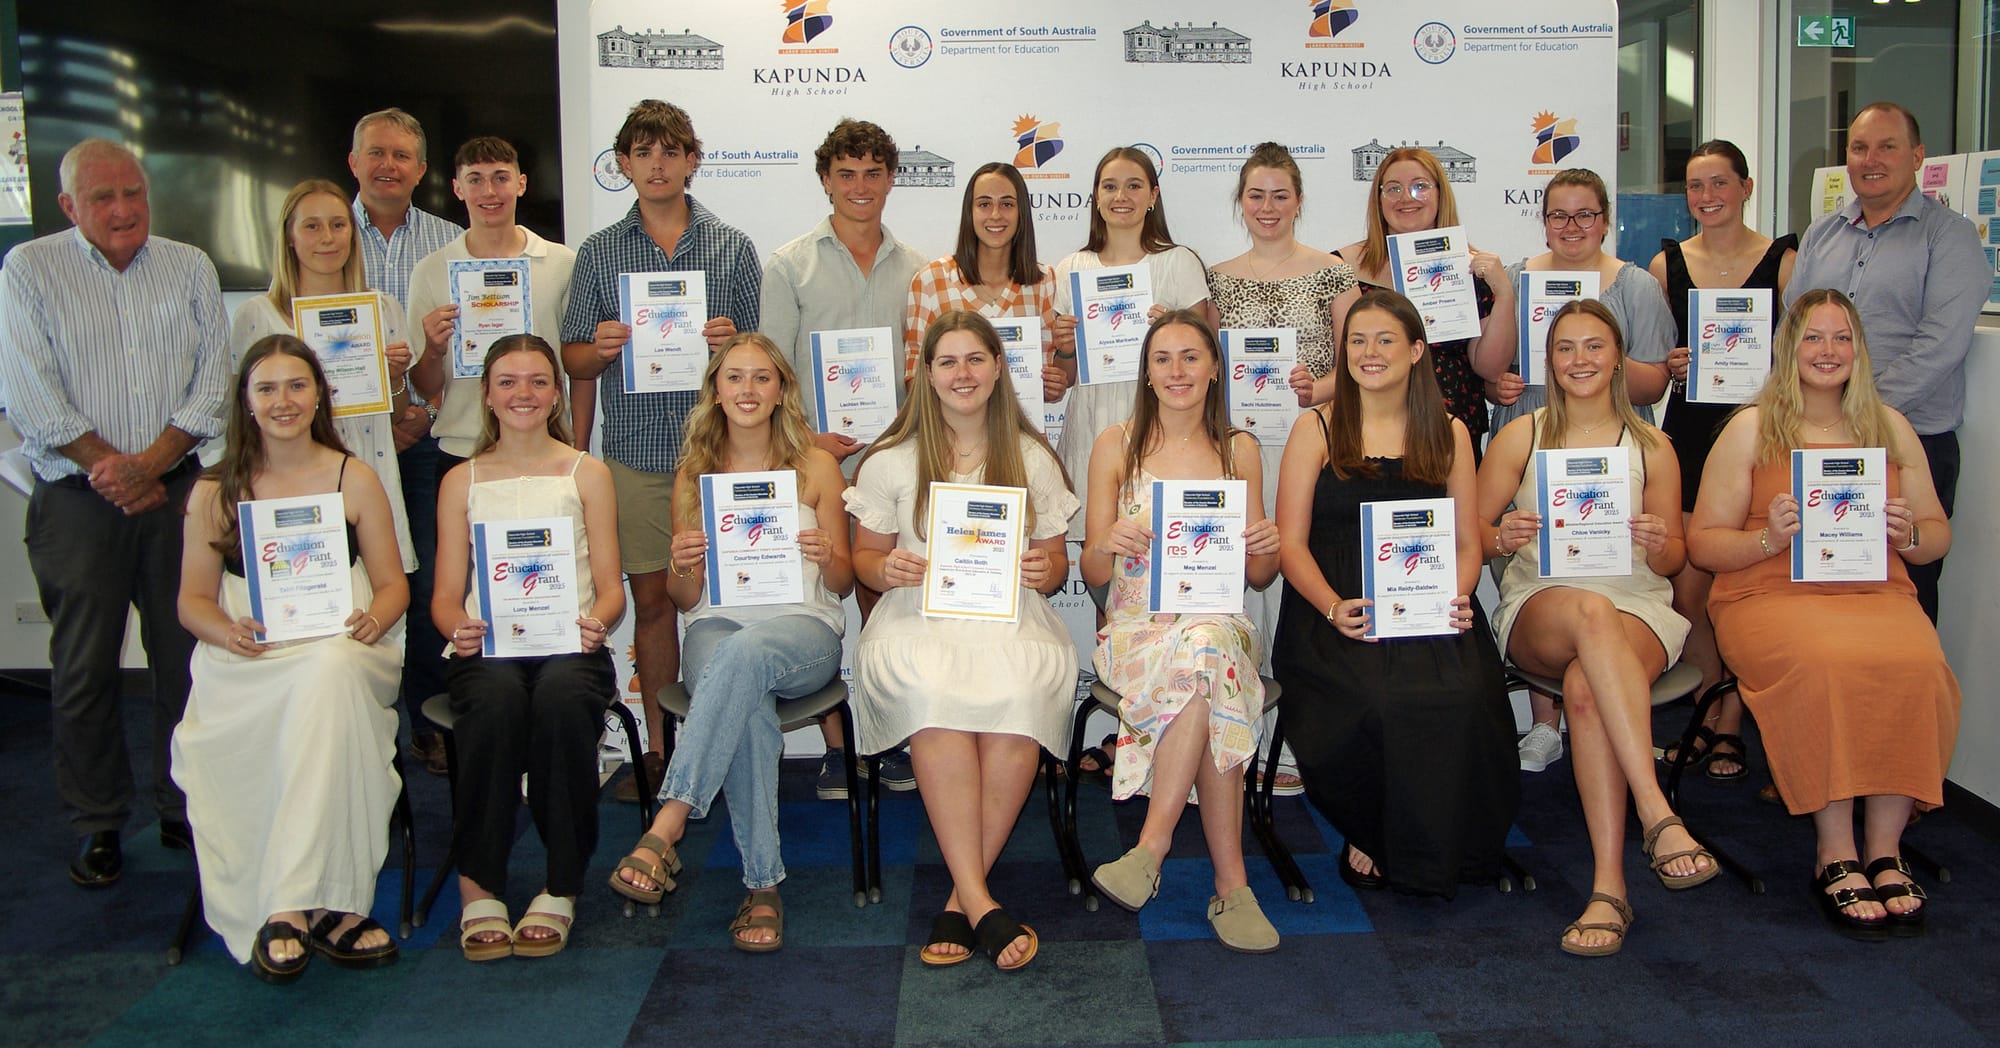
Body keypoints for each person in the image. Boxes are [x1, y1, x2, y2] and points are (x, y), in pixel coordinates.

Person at [1690, 289, 1958, 941]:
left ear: (1860, 351)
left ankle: (1885, 849)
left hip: (1875, 592)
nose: (1828, 351)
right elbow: (1703, 543)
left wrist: (1908, 535)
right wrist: (1768, 540)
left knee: (1917, 662)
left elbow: (1935, 533)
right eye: (1813, 337)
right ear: (1789, 349)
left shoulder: (1888, 428)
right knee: (1826, 665)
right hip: (1767, 593)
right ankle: (1834, 850)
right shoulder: (1752, 429)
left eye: (1842, 338)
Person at [0, 139, 231, 886]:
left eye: (133, 192)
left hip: (177, 495)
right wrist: (116, 469)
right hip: (77, 502)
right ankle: (97, 820)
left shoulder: (190, 264)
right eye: (103, 199)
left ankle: (181, 804)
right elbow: (32, 396)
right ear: (69, 207)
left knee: (185, 659)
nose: (124, 209)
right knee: (84, 668)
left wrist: (153, 465)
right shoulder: (29, 270)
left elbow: (212, 381)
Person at [1477, 299, 1717, 957]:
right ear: (1548, 362)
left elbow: (1673, 560)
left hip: (1638, 607)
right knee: (1589, 612)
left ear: (1616, 357)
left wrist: (1660, 537)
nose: (1580, 360)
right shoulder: (1520, 436)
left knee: (1585, 687)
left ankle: (1609, 888)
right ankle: (1658, 812)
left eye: (1594, 346)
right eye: (1566, 348)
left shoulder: (1652, 447)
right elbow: (1471, 532)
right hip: (1544, 605)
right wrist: (1502, 535)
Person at [170, 336, 409, 982]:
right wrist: (227, 633)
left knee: (327, 674)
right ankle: (332, 903)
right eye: (267, 389)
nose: (283, 402)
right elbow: (193, 601)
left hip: (347, 644)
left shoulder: (350, 476)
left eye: (296, 387)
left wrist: (375, 618)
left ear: (319, 396)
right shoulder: (216, 489)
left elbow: (392, 585)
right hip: (249, 654)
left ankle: (289, 903)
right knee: (312, 694)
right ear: (245, 403)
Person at [846, 311, 1078, 972]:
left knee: (1022, 692)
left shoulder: (1031, 457)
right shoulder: (890, 460)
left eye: (975, 359)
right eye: (947, 362)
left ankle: (960, 898)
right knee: (932, 691)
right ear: (926, 375)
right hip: (918, 617)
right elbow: (865, 558)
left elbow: (1056, 564)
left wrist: (1045, 569)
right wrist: (881, 568)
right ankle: (982, 902)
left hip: (1008, 616)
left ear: (999, 369)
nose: (962, 374)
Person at [607, 333, 853, 952]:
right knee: (744, 696)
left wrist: (826, 555)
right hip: (717, 625)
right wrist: (682, 561)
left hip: (804, 630)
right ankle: (762, 886)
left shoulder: (817, 467)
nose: (748, 390)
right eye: (735, 378)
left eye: (761, 378)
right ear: (715, 390)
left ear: (781, 391)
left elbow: (845, 582)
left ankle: (668, 823)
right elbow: (684, 599)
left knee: (743, 662)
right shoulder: (695, 472)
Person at [1271, 290, 1515, 900]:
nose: (1369, 352)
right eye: (1357, 341)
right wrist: (1333, 608)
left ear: (1415, 351)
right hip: (1335, 610)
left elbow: (1466, 540)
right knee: (1374, 697)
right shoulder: (1316, 427)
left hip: (1430, 603)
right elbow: (1290, 545)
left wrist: (1455, 600)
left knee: (1463, 694)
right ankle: (1371, 829)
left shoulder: (1451, 430)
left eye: (1384, 340)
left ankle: (1444, 842)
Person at [562, 100, 760, 801]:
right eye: (642, 152)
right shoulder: (598, 252)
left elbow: (759, 360)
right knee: (652, 607)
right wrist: (601, 346)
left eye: (670, 151)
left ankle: (725, 737)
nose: (656, 164)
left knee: (733, 606)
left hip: (726, 458)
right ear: (622, 164)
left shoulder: (732, 247)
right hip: (640, 453)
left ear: (691, 159)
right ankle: (659, 749)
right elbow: (574, 358)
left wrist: (731, 340)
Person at [1080, 311, 1283, 953]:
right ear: (1146, 370)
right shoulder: (1117, 444)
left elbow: (1258, 575)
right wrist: (1106, 543)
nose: (1177, 371)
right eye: (1163, 358)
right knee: (1207, 671)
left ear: (1215, 367)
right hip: (1138, 629)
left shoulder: (1239, 449)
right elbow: (1090, 572)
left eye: (1191, 357)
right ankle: (1232, 884)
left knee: (1208, 647)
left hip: (1221, 622)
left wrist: (1267, 544)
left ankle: (1151, 846)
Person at [433, 335, 626, 960]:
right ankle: (479, 883)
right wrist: (455, 627)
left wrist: (596, 622)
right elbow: (442, 596)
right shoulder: (459, 479)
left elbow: (609, 588)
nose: (524, 394)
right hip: (487, 647)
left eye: (539, 381)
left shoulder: (585, 472)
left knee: (564, 701)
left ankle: (561, 883)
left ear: (557, 394)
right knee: (492, 705)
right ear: (486, 394)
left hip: (569, 642)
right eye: (509, 381)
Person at [758, 117, 926, 797]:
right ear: (826, 179)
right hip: (814, 461)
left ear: (891, 179)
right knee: (826, 594)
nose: (860, 186)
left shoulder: (921, 271)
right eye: (846, 173)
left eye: (873, 173)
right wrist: (804, 440)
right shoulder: (787, 264)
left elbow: (926, 374)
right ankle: (837, 744)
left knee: (886, 595)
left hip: (895, 462)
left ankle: (889, 734)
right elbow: (767, 370)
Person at [1490, 168, 1674, 773]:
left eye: (1585, 215)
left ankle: (1615, 723)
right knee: (1556, 572)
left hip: (1612, 444)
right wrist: (1502, 381)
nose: (1572, 227)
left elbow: (1655, 373)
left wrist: (1605, 375)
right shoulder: (1519, 277)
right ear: (1543, 220)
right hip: (1538, 426)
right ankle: (1564, 728)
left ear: (1604, 218)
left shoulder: (1636, 286)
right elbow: (1492, 361)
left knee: (1597, 626)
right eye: (1558, 216)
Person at [1784, 102, 1986, 624]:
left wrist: (1858, 413)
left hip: (1909, 443)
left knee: (1904, 599)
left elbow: (1939, 345)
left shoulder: (1950, 236)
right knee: (1817, 595)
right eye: (1859, 147)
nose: (1870, 159)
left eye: (1887, 146)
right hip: (1815, 443)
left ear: (1917, 156)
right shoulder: (1821, 234)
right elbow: (1793, 332)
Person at [1645, 141, 1796, 781]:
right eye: (1695, 187)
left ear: (1746, 186)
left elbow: (1802, 356)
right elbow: (1653, 362)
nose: (1707, 198)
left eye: (1719, 184)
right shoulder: (1665, 264)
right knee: (1689, 588)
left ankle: (1729, 725)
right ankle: (1708, 711)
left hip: (1759, 435)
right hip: (1691, 430)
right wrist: (1673, 363)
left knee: (1742, 583)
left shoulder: (1785, 261)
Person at [1204, 143, 1354, 710]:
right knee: (1246, 578)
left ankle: (1301, 731)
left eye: (1280, 196)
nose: (1267, 207)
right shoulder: (1215, 280)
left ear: (1299, 202)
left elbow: (1358, 364)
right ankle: (1242, 721)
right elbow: (1204, 369)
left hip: (1313, 443)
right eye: (1256, 195)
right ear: (1240, 203)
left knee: (1305, 572)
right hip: (1239, 450)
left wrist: (1317, 388)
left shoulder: (1332, 273)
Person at [347, 106, 464, 777]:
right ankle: (357, 726)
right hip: (340, 447)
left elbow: (464, 348)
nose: (388, 166)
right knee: (352, 582)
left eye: (401, 156)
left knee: (421, 582)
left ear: (422, 170)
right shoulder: (326, 236)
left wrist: (417, 410)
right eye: (375, 154)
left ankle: (424, 717)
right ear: (353, 162)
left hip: (423, 436)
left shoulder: (451, 243)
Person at [230, 178, 419, 576]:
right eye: (312, 226)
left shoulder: (382, 310)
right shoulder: (258, 316)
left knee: (377, 608)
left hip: (368, 476)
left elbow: (393, 414)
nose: (328, 238)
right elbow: (241, 417)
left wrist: (395, 378)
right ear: (290, 238)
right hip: (287, 491)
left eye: (338, 224)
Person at [1054, 147, 1211, 547]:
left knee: (1167, 545)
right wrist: (1067, 348)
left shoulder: (1179, 263)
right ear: (1096, 196)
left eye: (1133, 186)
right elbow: (1066, 376)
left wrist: (1171, 333)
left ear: (1153, 196)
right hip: (1093, 424)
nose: (1120, 196)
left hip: (1163, 428)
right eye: (1109, 186)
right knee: (1102, 556)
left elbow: (1208, 359)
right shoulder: (1071, 268)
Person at [409, 136, 580, 458]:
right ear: (458, 189)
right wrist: (433, 349)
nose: (489, 192)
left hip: (547, 445)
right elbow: (425, 386)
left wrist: (580, 444)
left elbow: (577, 362)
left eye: (501, 178)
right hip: (463, 448)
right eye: (475, 180)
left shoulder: (562, 263)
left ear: (521, 184)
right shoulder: (430, 271)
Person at [1333, 146, 1514, 434]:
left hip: (1452, 427)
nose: (1406, 197)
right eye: (1393, 188)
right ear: (1378, 199)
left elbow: (1490, 369)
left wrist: (1504, 293)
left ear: (1440, 194)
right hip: (1370, 428)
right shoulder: (1342, 267)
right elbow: (1339, 365)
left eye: (1420, 187)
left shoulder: (1471, 268)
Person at [903, 161, 1075, 402]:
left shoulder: (1044, 281)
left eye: (1006, 204)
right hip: (952, 437)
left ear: (1021, 212)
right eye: (984, 204)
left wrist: (1056, 383)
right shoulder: (931, 281)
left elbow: (1056, 371)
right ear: (969, 212)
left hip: (1022, 436)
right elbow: (914, 378)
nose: (995, 214)